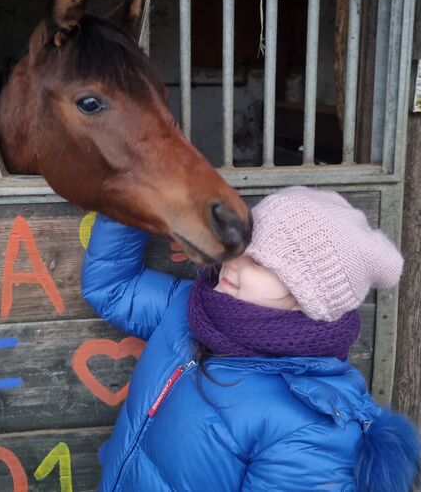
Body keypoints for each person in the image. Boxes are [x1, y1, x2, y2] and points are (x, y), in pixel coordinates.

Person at [81, 186, 419, 491]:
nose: (230, 263)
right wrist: (125, 193)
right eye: (238, 245)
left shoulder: (314, 430)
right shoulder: (190, 306)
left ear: (308, 295)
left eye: (257, 261)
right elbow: (113, 289)